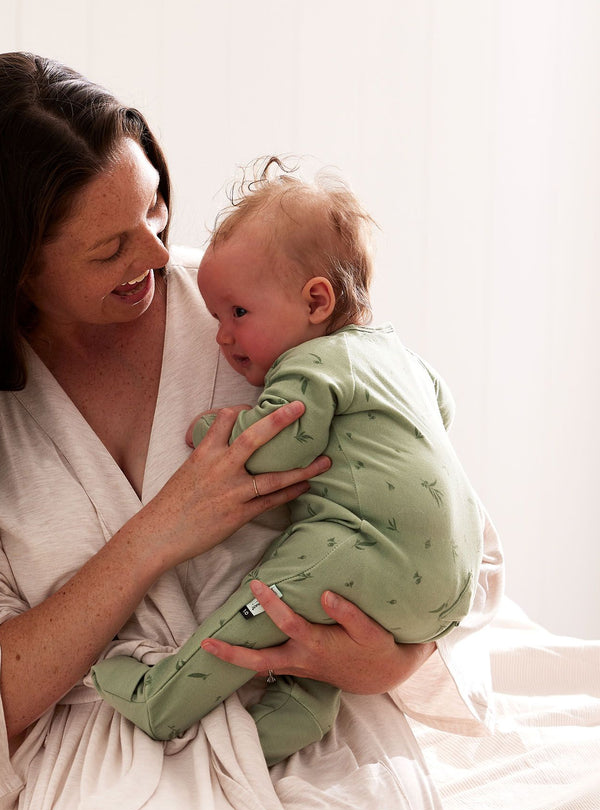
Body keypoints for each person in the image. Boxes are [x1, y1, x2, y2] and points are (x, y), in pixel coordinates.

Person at [0, 52, 563, 810]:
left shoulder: (249, 312)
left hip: (312, 705)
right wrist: (158, 532)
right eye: (110, 248)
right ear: (11, 266)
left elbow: (437, 522)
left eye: (155, 208)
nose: (158, 254)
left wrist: (390, 665)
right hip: (113, 737)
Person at [90, 165, 484, 765]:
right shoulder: (400, 355)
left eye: (238, 313)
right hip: (453, 583)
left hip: (366, 548)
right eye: (216, 318)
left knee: (263, 601)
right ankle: (294, 716)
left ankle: (159, 699)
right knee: (317, 637)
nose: (222, 336)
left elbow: (274, 450)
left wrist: (212, 430)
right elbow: (442, 411)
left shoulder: (312, 364)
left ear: (316, 301)